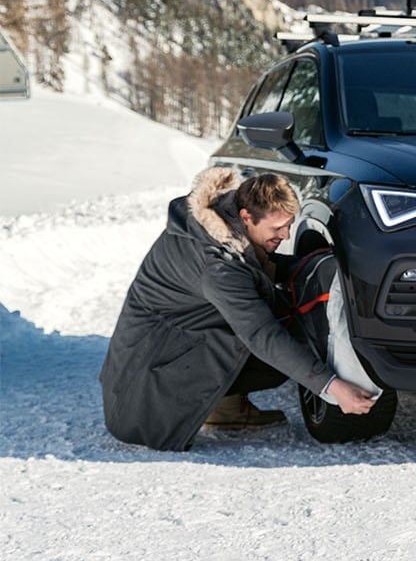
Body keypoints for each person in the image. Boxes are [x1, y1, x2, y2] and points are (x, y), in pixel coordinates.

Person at [100, 167, 376, 451]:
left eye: (290, 225)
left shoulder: (222, 221)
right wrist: (331, 385)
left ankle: (225, 409)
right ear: (246, 217)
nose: (285, 234)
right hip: (147, 393)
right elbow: (261, 333)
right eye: (277, 228)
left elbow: (255, 270)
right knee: (282, 341)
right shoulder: (216, 265)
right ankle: (220, 407)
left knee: (273, 327)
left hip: (171, 345)